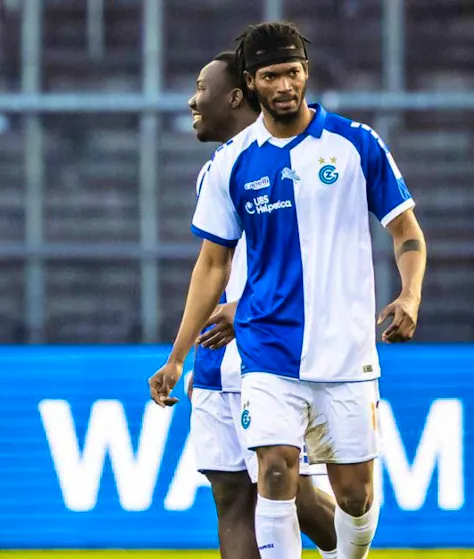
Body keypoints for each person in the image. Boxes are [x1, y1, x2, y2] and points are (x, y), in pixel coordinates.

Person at [150, 21, 427, 559]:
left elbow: (406, 232)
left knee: (355, 496)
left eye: (293, 72)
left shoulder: (355, 144)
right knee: (273, 470)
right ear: (252, 83)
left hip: (345, 351)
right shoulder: (231, 163)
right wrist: (177, 356)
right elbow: (212, 264)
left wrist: (410, 294)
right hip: (266, 350)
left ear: (306, 74)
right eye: (272, 75)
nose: (284, 85)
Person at [184, 51, 337, 559]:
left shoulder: (297, 163)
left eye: (201, 88)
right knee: (230, 499)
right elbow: (211, 266)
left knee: (293, 494)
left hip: (271, 348)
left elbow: (316, 260)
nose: (192, 100)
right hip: (215, 353)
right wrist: (180, 354)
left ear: (233, 96)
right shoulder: (216, 170)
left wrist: (247, 309)